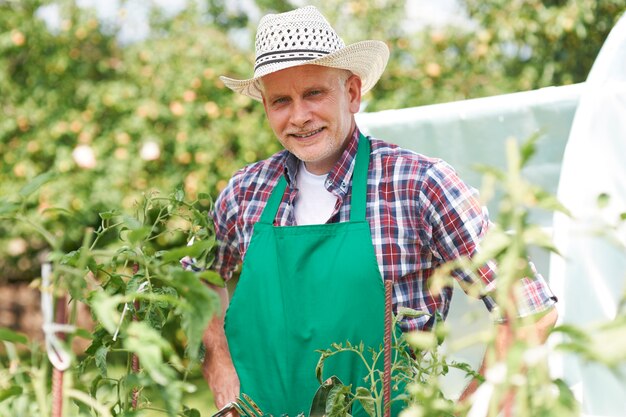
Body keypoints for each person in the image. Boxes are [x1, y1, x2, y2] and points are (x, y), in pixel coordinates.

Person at [198, 5, 558, 416]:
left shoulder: (419, 184)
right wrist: (221, 373)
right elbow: (197, 279)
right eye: (281, 100)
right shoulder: (245, 192)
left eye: (314, 93)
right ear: (265, 107)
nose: (299, 116)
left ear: (351, 92)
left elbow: (529, 309)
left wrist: (465, 411)